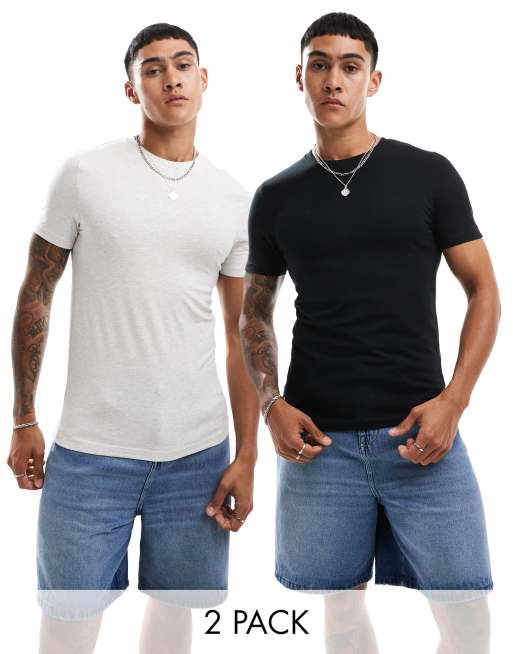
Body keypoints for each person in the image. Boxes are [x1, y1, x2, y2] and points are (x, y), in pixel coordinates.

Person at [240, 12, 499, 654]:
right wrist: (271, 404)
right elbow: (254, 312)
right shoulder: (276, 196)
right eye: (320, 64)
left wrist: (454, 401)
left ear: (373, 80)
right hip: (318, 444)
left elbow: (484, 291)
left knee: (467, 619)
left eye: (350, 66)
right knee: (341, 619)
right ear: (300, 77)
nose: (334, 79)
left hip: (422, 435)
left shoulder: (428, 174)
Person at [8, 22, 259, 654]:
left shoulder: (234, 200)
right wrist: (23, 418)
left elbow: (243, 337)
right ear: (131, 89)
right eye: (153, 68)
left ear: (204, 79)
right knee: (67, 630)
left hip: (198, 454)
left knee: (174, 626)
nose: (171, 77)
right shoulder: (84, 175)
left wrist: (248, 455)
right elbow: (37, 292)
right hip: (90, 455)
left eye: (183, 64)